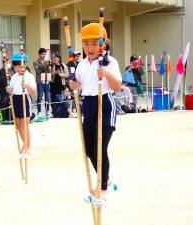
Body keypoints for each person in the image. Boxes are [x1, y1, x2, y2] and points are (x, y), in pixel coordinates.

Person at [69, 23, 122, 197]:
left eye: (94, 43)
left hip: (106, 105)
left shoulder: (110, 61)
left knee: (100, 148)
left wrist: (106, 74)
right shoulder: (81, 65)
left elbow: (118, 88)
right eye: (86, 44)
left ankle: (101, 189)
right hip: (89, 106)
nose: (89, 48)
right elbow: (76, 85)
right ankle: (105, 178)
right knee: (89, 149)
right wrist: (73, 85)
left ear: (103, 43)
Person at [7, 52, 36, 154]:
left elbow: (33, 91)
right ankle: (25, 144)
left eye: (19, 66)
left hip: (25, 99)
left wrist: (26, 86)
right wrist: (9, 89)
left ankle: (27, 146)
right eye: (15, 66)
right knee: (18, 126)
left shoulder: (29, 76)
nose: (17, 69)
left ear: (25, 64)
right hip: (15, 100)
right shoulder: (14, 77)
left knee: (25, 125)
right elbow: (11, 89)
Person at [33, 48, 51, 116]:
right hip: (40, 81)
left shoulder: (47, 61)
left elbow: (49, 71)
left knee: (47, 97)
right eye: (43, 54)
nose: (44, 55)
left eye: (45, 54)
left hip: (47, 80)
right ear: (39, 54)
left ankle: (47, 111)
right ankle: (39, 111)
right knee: (40, 96)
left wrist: (48, 65)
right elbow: (38, 71)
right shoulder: (36, 62)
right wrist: (43, 65)